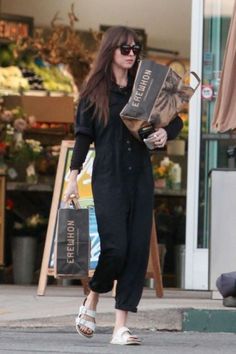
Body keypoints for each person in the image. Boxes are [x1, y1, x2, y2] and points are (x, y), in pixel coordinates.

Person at [64, 25, 183, 345]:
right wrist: (72, 177)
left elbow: (174, 119)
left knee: (136, 251)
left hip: (140, 176)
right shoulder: (94, 91)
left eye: (135, 49)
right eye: (125, 49)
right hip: (108, 177)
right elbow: (83, 136)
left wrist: (164, 135)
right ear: (110, 51)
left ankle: (120, 327)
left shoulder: (144, 88)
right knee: (115, 247)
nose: (131, 55)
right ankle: (92, 299)